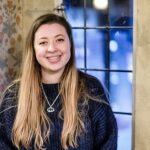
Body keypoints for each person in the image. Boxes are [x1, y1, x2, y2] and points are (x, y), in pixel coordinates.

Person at [0, 13, 117, 150]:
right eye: (43, 42)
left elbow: (108, 144)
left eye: (59, 40)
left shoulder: (91, 89)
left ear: (70, 45)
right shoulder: (13, 95)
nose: (52, 48)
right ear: (33, 49)